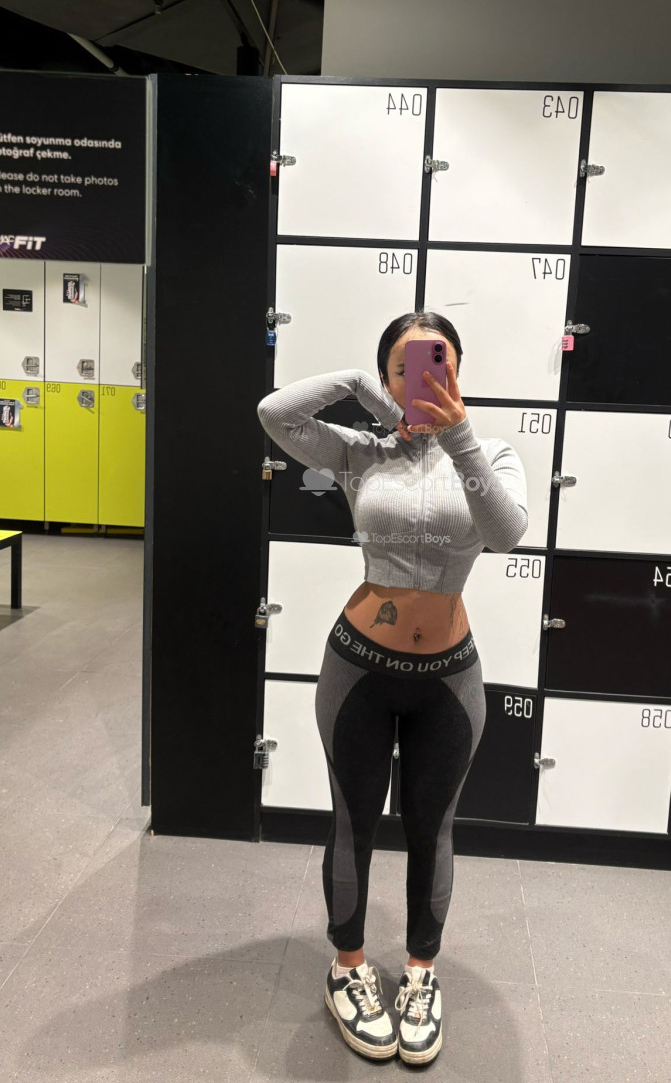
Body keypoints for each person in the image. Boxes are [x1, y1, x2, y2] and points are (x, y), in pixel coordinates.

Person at [256, 310, 528, 1064]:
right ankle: (347, 969)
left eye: (437, 366)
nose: (421, 382)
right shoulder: (360, 452)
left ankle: (419, 975)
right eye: (402, 370)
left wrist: (457, 434)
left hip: (448, 679)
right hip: (359, 670)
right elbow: (273, 414)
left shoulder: (491, 453)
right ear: (386, 380)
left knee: (433, 828)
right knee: (353, 823)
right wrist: (357, 386)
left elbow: (506, 533)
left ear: (458, 373)